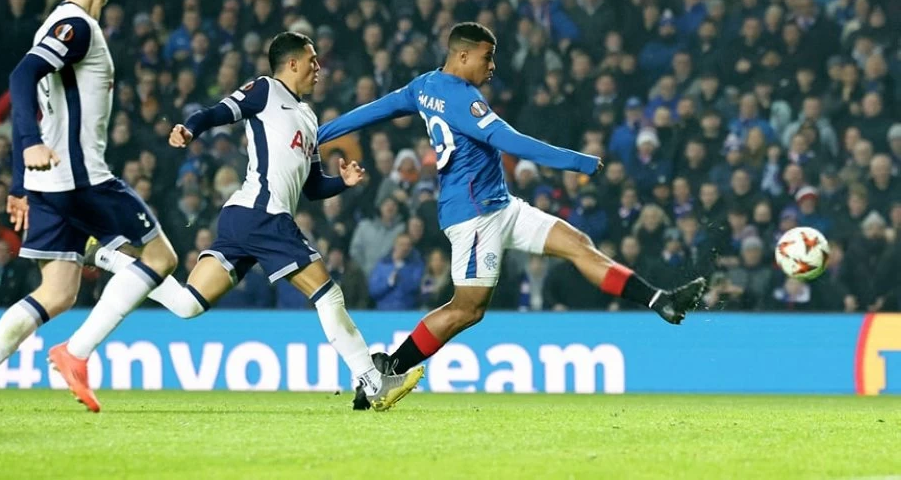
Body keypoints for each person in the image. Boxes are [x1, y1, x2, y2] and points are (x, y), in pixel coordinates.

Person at [317, 22, 706, 410]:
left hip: (501, 204)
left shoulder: (424, 86)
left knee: (577, 244)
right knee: (467, 309)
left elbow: (378, 109)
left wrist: (322, 132)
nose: (493, 66)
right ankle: (385, 371)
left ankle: (660, 300)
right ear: (462, 55)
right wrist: (577, 162)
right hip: (473, 217)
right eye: (487, 57)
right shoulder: (465, 101)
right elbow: (510, 141)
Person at [85, 31, 424, 411]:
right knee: (328, 295)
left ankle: (107, 255)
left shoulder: (309, 118)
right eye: (313, 61)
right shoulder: (265, 90)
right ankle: (370, 379)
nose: (319, 68)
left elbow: (312, 188)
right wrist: (190, 128)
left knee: (187, 303)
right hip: (263, 214)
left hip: (245, 218)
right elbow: (217, 112)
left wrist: (341, 183)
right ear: (292, 63)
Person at [0, 0, 179, 431]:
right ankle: (76, 351)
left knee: (59, 292)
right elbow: (21, 77)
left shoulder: (58, 22)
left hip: (50, 183)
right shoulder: (76, 27)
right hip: (82, 179)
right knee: (161, 257)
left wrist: (22, 182)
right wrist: (26, 148)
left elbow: (46, 109)